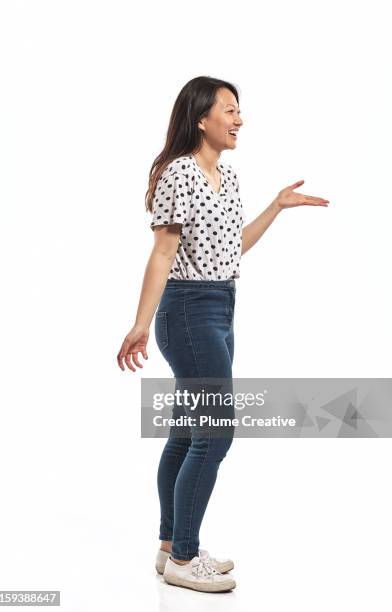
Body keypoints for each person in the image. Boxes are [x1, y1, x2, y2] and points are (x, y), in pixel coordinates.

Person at [117, 76, 329, 593]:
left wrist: (276, 207)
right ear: (201, 118)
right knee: (217, 431)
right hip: (187, 310)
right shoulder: (179, 174)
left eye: (240, 111)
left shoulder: (227, 177)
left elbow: (232, 248)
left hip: (220, 306)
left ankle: (171, 546)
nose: (239, 119)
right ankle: (186, 559)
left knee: (190, 432)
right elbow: (163, 254)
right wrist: (141, 324)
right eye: (230, 110)